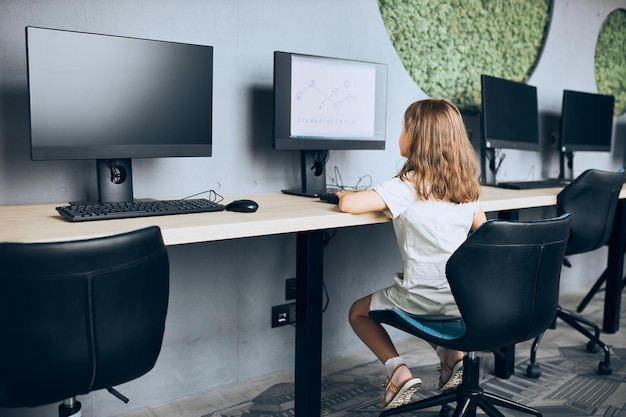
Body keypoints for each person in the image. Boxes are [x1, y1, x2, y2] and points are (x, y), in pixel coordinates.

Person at [336, 98, 486, 410]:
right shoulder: (467, 188)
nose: (400, 134)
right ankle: (450, 355)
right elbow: (485, 233)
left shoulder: (407, 184)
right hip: (463, 300)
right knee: (434, 312)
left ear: (418, 138)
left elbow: (349, 206)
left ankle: (398, 371)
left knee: (357, 312)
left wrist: (344, 194)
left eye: (404, 128)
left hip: (420, 297)